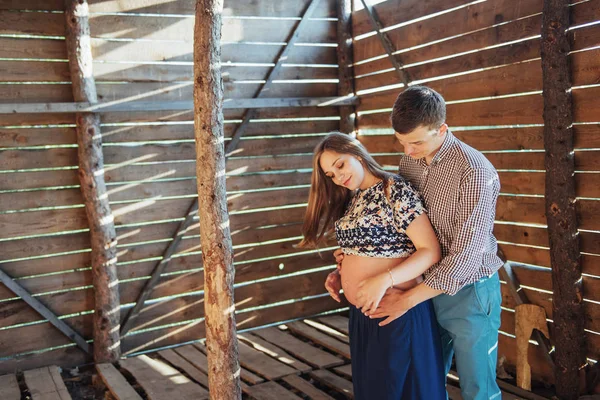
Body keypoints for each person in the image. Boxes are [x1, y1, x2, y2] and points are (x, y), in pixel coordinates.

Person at [330, 86, 504, 400]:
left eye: (417, 142)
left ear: (443, 129)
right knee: (428, 381)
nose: (407, 152)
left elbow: (466, 255)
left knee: (478, 387)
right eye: (402, 142)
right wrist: (353, 259)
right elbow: (401, 227)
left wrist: (407, 300)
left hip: (469, 291)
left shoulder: (475, 172)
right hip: (423, 287)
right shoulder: (410, 162)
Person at [300, 132, 446, 400]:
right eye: (331, 174)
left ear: (356, 153)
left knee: (403, 392)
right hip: (363, 316)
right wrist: (340, 273)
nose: (338, 176)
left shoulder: (394, 190)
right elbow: (370, 250)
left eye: (340, 164)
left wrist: (384, 280)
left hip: (396, 310)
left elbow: (429, 251)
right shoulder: (354, 198)